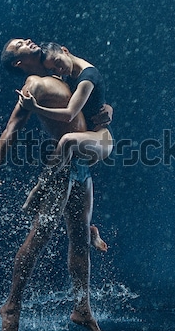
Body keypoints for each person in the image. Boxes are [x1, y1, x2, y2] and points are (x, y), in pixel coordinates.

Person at [0, 40, 112, 331]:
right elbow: (12, 126)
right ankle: (11, 307)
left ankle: (82, 309)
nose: (27, 40)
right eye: (19, 44)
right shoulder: (34, 84)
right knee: (39, 237)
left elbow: (91, 99)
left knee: (79, 238)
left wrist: (108, 110)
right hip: (60, 168)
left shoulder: (60, 71)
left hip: (80, 166)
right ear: (18, 62)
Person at [17, 42, 113, 214]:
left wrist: (35, 108)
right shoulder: (69, 74)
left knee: (68, 140)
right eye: (54, 69)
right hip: (86, 140)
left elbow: (69, 114)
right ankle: (93, 235)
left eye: (58, 63)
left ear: (65, 51)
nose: (59, 71)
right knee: (77, 222)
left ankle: (38, 189)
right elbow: (98, 103)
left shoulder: (87, 76)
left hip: (102, 139)